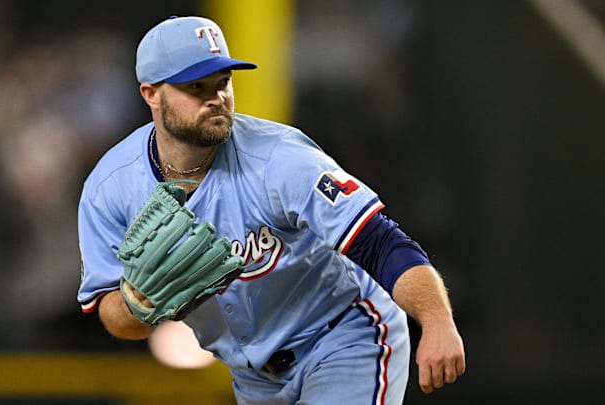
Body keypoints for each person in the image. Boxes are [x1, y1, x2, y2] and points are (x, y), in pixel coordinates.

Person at [77, 15, 465, 404]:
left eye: (222, 83)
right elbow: (114, 315)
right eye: (196, 87)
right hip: (253, 378)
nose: (216, 98)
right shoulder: (110, 189)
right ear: (151, 94)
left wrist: (436, 321)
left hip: (343, 338)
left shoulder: (278, 158)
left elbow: (381, 242)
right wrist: (138, 305)